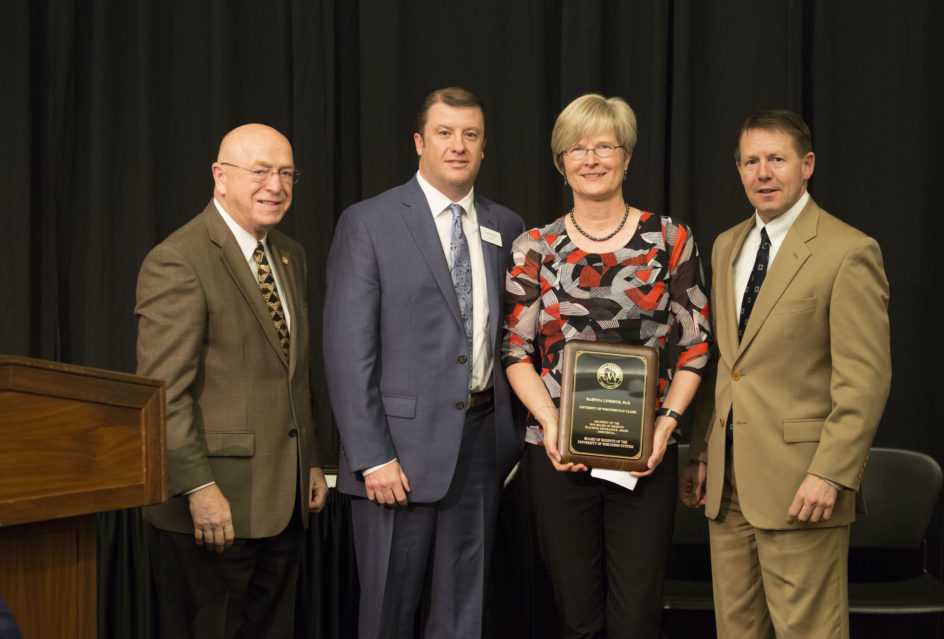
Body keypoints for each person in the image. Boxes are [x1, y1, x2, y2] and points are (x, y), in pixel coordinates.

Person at [502, 93, 711, 638]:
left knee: (636, 617)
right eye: (577, 147)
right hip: (554, 456)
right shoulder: (535, 247)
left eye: (604, 146)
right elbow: (515, 351)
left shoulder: (670, 239)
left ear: (627, 157)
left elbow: (695, 346)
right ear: (561, 160)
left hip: (646, 458)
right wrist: (550, 423)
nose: (590, 158)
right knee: (576, 618)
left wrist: (665, 426)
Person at [323, 87, 526, 639]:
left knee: (463, 617)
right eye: (444, 133)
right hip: (396, 459)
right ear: (419, 142)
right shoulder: (369, 222)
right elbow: (347, 350)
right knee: (388, 612)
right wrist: (371, 457)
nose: (457, 146)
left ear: (484, 147)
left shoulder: (507, 227)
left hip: (483, 448)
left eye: (470, 135)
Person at [680, 109, 891, 638]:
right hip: (727, 489)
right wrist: (705, 451)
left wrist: (832, 472)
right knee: (738, 631)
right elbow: (729, 366)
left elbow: (864, 380)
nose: (763, 173)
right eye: (751, 161)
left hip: (803, 486)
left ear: (807, 165)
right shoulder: (728, 244)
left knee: (808, 632)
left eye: (777, 159)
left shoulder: (849, 252)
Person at [135, 123, 328, 639]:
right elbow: (163, 394)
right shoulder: (178, 259)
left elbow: (291, 372)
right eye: (260, 171)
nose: (276, 185)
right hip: (211, 508)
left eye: (286, 172)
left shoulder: (289, 255)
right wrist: (198, 487)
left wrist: (308, 462)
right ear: (220, 177)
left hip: (281, 504)